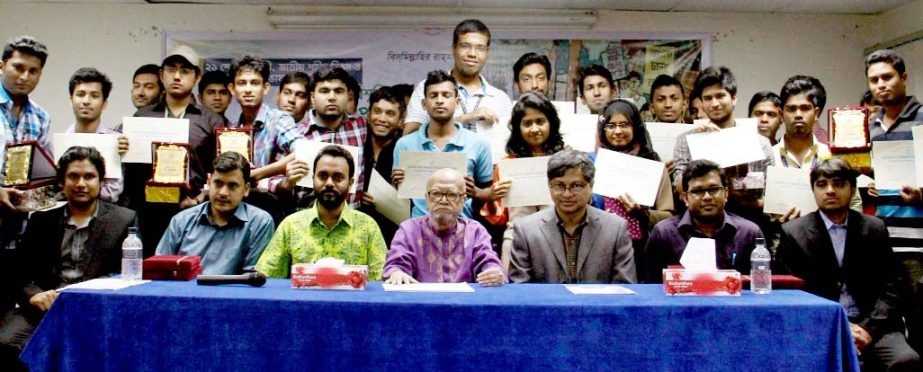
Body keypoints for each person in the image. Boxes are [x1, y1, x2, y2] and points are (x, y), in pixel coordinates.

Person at [777, 159, 920, 371]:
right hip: (821, 326)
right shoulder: (793, 232)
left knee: (907, 360)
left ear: (852, 189)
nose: (830, 190)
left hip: (873, 326)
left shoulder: (874, 228)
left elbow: (892, 286)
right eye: (822, 184)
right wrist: (840, 326)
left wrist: (868, 329)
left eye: (838, 183)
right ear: (813, 190)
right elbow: (792, 294)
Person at [0, 147, 136, 370]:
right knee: (6, 342)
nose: (81, 184)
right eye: (73, 176)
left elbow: (128, 275)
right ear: (61, 183)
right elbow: (21, 272)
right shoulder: (41, 221)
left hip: (96, 312)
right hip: (44, 310)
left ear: (101, 181)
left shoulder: (124, 220)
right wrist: (34, 295)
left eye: (89, 177)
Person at [120, 44, 223, 254]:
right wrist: (121, 150)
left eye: (185, 71)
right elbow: (131, 173)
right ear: (161, 74)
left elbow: (220, 167)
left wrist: (201, 197)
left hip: (193, 210)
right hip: (149, 212)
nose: (177, 76)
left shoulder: (211, 119)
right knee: (150, 273)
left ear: (196, 77)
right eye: (171, 70)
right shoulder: (142, 117)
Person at [256, 145, 386, 279]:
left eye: (338, 177)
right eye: (323, 176)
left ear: (351, 183)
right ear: (313, 179)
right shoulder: (291, 226)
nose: (329, 183)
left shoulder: (368, 227)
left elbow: (380, 283)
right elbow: (268, 279)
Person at [510, 149, 636, 283]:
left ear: (591, 186)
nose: (567, 194)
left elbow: (625, 288)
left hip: (598, 303)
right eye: (559, 186)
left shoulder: (615, 229)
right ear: (549, 185)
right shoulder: (526, 231)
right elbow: (520, 293)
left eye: (576, 186)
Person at [392, 70, 495, 219]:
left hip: (463, 228)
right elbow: (400, 195)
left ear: (457, 102)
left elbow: (488, 192)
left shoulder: (479, 144)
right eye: (433, 95)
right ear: (424, 103)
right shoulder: (404, 145)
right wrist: (396, 183)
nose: (439, 100)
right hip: (418, 230)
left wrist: (475, 191)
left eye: (446, 95)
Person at [479, 92, 565, 269]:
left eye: (540, 121)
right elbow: (497, 219)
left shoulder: (565, 161)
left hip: (559, 239)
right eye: (527, 123)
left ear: (551, 123)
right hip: (516, 241)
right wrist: (493, 196)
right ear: (518, 128)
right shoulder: (507, 165)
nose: (534, 129)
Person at [592, 99, 674, 281]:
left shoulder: (653, 165)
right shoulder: (592, 165)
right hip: (600, 246)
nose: (618, 131)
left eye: (624, 125)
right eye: (611, 126)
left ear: (636, 127)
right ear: (602, 130)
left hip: (642, 249)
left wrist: (642, 214)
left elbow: (668, 215)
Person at [155, 152, 274, 275]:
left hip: (233, 293)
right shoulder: (181, 221)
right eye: (218, 183)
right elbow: (160, 270)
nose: (223, 192)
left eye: (232, 185)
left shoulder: (260, 222)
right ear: (209, 182)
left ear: (246, 189)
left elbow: (252, 278)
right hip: (183, 292)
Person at [644, 160, 763, 283]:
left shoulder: (749, 233)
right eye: (697, 191)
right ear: (685, 198)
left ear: (726, 193)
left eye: (714, 189)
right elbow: (652, 287)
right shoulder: (664, 233)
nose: (707, 197)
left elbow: (762, 286)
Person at [383, 168, 505, 286]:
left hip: (465, 302)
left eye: (452, 195)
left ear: (463, 200)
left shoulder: (475, 231)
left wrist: (493, 272)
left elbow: (489, 261)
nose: (443, 200)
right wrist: (396, 272)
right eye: (436, 193)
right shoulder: (409, 229)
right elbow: (396, 262)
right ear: (427, 198)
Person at [276, 68, 367, 209]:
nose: (332, 97)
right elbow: (272, 182)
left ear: (348, 96)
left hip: (354, 222)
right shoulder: (296, 136)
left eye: (338, 91)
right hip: (306, 222)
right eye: (324, 91)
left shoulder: (361, 127)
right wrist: (287, 183)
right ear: (312, 98)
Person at [403, 19, 512, 135]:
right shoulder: (429, 88)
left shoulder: (501, 99)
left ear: (487, 52)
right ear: (454, 48)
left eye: (480, 48)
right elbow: (409, 137)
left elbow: (509, 145)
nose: (472, 54)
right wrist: (465, 118)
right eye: (465, 46)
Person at [864, 49, 923, 252]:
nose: (881, 84)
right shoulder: (871, 127)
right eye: (874, 80)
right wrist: (873, 185)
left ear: (904, 78)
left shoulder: (922, 119)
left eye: (887, 77)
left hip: (918, 239)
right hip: (883, 238)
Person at [228, 55, 301, 181]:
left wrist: (257, 174)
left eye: (255, 83)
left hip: (272, 198)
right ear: (232, 89)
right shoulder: (232, 129)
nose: (248, 90)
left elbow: (303, 152)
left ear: (266, 88)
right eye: (242, 83)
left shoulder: (278, 119)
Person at [65, 67, 124, 203]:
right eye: (80, 94)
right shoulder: (58, 144)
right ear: (71, 100)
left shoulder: (118, 142)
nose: (86, 101)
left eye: (94, 96)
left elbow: (112, 193)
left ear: (104, 104)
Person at [359, 86, 404, 243]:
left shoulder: (405, 153)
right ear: (368, 115)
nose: (382, 119)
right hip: (356, 234)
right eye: (377, 111)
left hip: (394, 238)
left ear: (400, 121)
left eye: (390, 114)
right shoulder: (356, 147)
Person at [0, 36, 51, 152]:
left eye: (33, 71)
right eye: (18, 68)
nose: (25, 77)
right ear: (1, 67)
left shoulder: (41, 117)